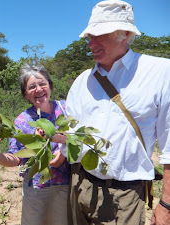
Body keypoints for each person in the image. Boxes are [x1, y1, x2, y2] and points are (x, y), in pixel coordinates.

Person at [61, 1, 170, 224]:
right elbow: (70, 135)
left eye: (99, 35)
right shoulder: (83, 81)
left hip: (126, 195)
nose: (91, 43)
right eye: (89, 37)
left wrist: (166, 204)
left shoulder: (159, 73)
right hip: (80, 183)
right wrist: (48, 136)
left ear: (126, 33)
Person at [0, 63, 70, 225]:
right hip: (37, 189)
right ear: (25, 94)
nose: (39, 90)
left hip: (66, 185)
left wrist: (63, 149)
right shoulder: (22, 121)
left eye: (42, 84)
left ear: (50, 86)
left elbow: (77, 137)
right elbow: (16, 158)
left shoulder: (66, 108)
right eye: (32, 87)